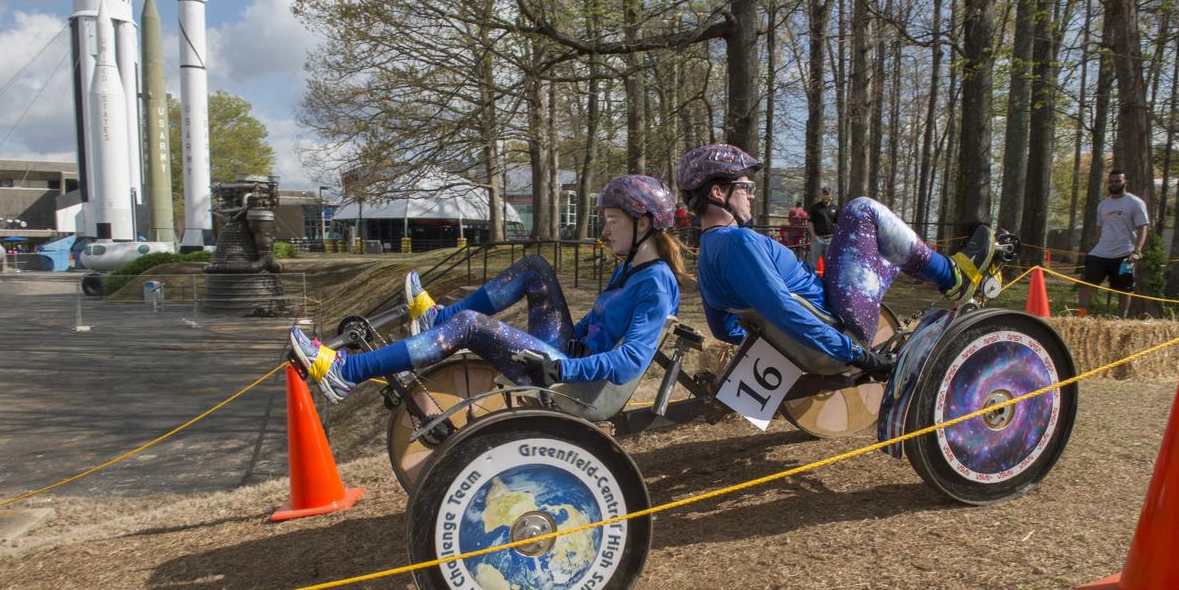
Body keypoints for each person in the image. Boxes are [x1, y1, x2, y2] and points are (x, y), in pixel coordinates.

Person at [290, 175, 687, 403]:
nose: (605, 229)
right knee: (534, 267)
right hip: (567, 356)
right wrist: (570, 340)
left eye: (613, 220)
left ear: (644, 223)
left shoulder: (654, 282)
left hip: (577, 381)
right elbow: (599, 325)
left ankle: (347, 371)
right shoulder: (634, 271)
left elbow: (631, 361)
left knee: (469, 325)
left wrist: (560, 365)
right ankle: (435, 317)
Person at [676, 144, 998, 379]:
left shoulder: (707, 255)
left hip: (813, 350)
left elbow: (723, 328)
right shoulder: (738, 243)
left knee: (880, 245)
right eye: (745, 187)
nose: (751, 194)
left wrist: (781, 348)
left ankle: (939, 272)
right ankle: (955, 276)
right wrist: (858, 354)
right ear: (718, 193)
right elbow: (783, 308)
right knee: (862, 210)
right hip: (843, 329)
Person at [1079, 169, 1148, 318]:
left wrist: (1137, 251)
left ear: (1125, 182)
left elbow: (1143, 227)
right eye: (1112, 181)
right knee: (1087, 284)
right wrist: (1098, 244)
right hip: (1101, 253)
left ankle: (1121, 318)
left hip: (1125, 254)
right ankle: (1081, 317)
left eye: (1118, 181)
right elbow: (1099, 227)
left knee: (1125, 289)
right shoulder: (1103, 204)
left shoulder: (1135, 203)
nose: (1114, 184)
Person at [804, 187, 838, 270]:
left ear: (831, 195)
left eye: (827, 194)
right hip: (817, 238)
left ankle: (826, 281)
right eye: (823, 194)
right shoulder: (815, 207)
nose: (825, 196)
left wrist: (836, 237)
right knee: (813, 263)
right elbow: (810, 222)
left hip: (830, 238)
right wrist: (813, 235)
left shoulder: (836, 208)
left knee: (829, 262)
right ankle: (812, 280)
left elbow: (838, 224)